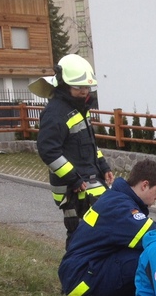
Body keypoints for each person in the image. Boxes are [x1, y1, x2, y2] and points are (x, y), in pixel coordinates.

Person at [58, 159, 156, 296]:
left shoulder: (118, 198)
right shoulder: (120, 206)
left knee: (136, 253)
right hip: (82, 278)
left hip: (83, 271)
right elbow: (153, 235)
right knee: (145, 257)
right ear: (144, 185)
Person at [32, 54, 114, 246]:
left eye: (87, 87)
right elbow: (48, 150)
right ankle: (74, 266)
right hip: (73, 190)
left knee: (98, 235)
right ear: (64, 84)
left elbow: (88, 145)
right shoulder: (55, 112)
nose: (84, 91)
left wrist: (103, 166)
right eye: (79, 87)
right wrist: (73, 179)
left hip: (89, 181)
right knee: (79, 236)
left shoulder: (79, 108)